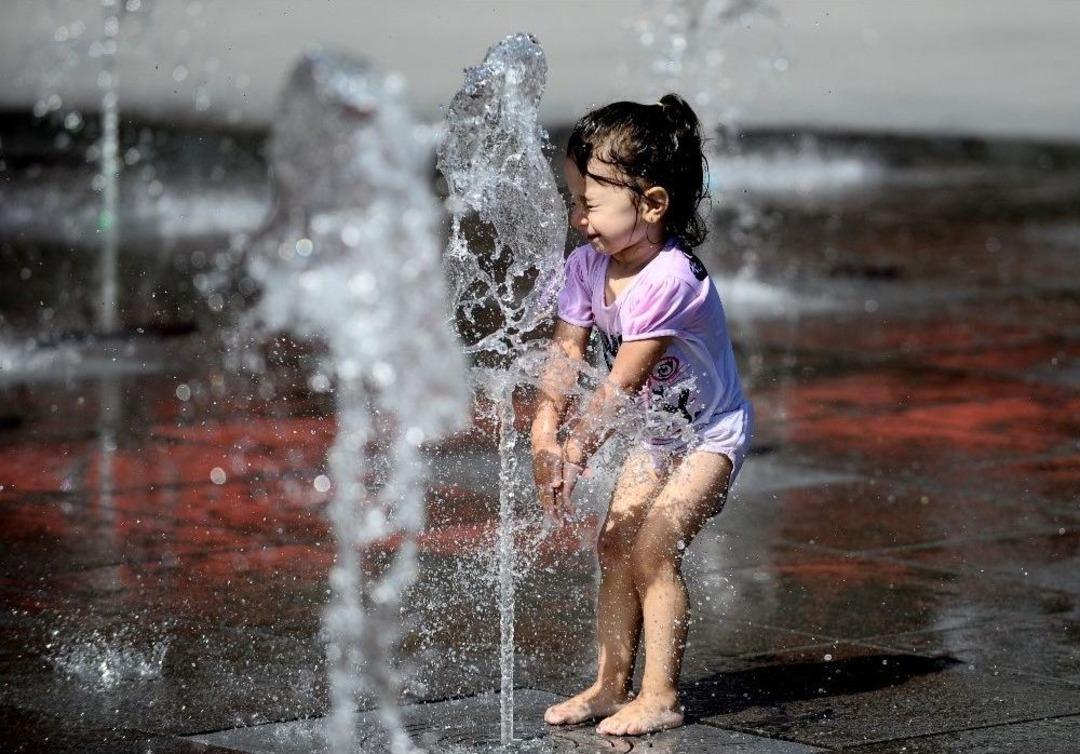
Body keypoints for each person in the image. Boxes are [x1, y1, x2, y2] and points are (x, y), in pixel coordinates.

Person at [530, 93, 753, 736]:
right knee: (614, 545)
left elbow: (620, 384)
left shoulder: (670, 280)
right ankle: (608, 686)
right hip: (661, 435)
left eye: (589, 203)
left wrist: (576, 450)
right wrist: (544, 427)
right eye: (574, 201)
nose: (578, 218)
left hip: (710, 435)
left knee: (654, 548)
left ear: (651, 205)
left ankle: (659, 695)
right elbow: (566, 354)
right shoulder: (586, 264)